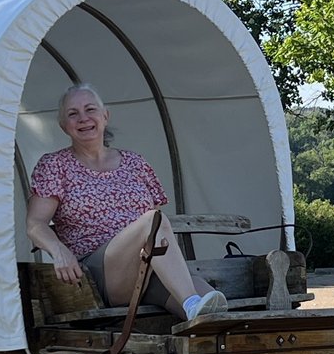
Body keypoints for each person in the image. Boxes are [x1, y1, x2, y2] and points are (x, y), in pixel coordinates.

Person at [26, 84, 227, 323]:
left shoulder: (135, 163)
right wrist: (59, 251)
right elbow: (35, 224)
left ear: (105, 116)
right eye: (73, 113)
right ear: (63, 125)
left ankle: (195, 313)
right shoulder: (55, 166)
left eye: (90, 109)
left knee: (214, 308)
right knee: (153, 221)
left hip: (145, 272)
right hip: (97, 276)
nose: (83, 118)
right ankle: (190, 302)